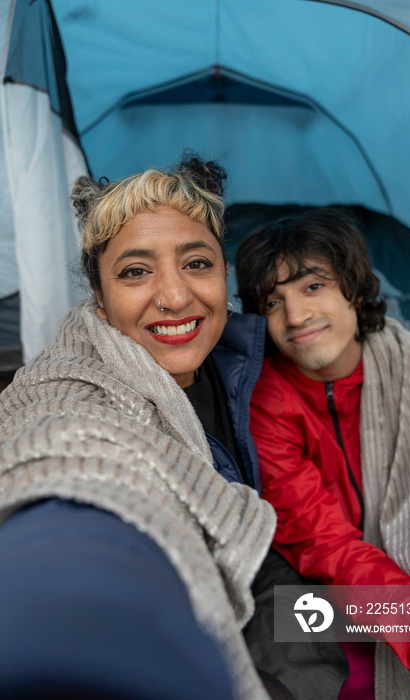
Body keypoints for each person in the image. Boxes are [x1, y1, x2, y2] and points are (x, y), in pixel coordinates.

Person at [0, 155, 280, 700]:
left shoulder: (248, 362)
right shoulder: (73, 390)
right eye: (135, 271)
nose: (175, 296)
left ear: (225, 276)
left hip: (291, 586)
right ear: (100, 302)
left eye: (196, 263)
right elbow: (72, 459)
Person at [235, 208, 410, 700]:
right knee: (321, 667)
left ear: (356, 290)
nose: (296, 316)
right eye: (273, 302)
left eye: (312, 286)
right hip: (312, 581)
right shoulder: (266, 403)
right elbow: (322, 543)